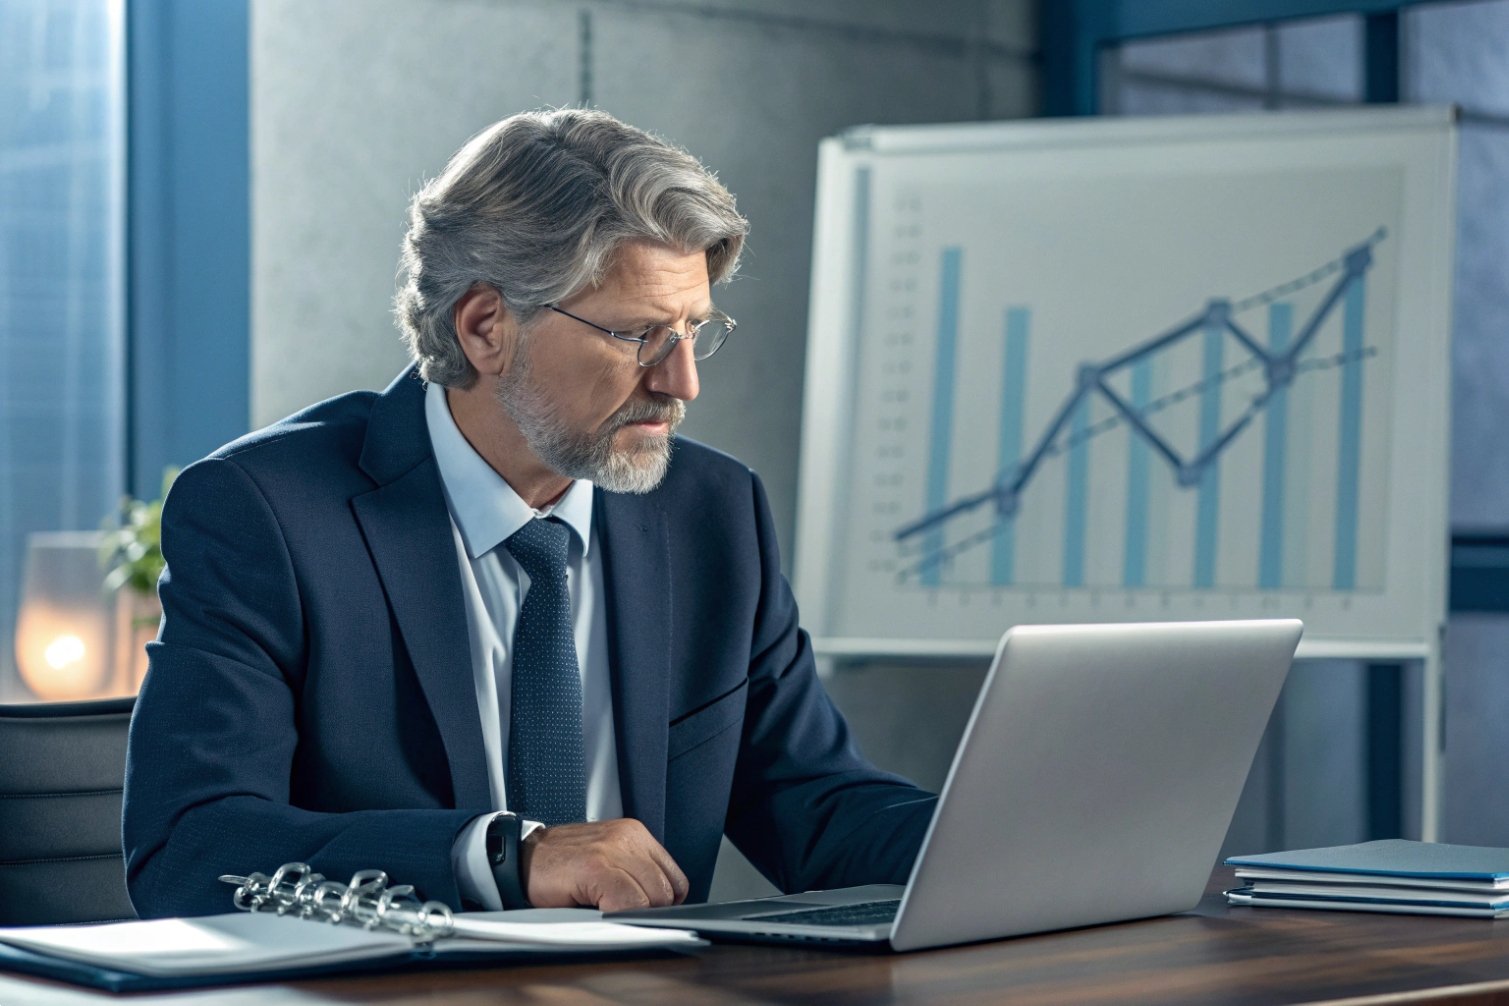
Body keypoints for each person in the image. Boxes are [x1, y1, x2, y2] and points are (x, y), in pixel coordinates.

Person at [123, 108, 936, 919]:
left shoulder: (711, 513)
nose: (682, 382)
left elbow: (816, 805)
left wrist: (1012, 838)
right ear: (485, 327)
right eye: (637, 335)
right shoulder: (267, 512)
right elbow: (192, 850)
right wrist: (506, 859)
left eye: (693, 330)